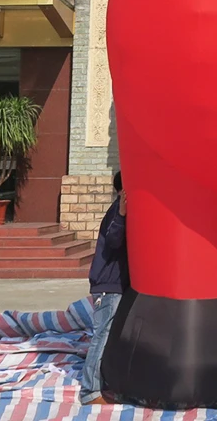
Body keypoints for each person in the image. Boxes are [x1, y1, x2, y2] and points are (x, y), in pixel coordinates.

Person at [80, 171, 128, 406]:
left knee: (111, 338)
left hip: (118, 285)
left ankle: (104, 385)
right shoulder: (117, 211)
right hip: (109, 286)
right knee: (102, 336)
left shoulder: (123, 211)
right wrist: (121, 213)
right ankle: (90, 391)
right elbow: (113, 241)